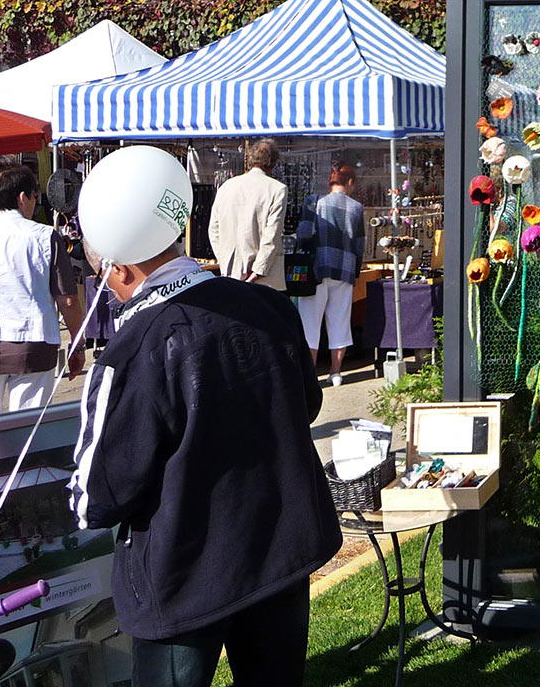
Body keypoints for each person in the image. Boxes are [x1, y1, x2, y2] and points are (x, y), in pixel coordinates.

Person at [67, 146, 340, 687]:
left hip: (186, 576)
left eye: (100, 272)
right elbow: (305, 405)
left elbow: (100, 495)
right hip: (279, 550)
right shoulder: (269, 307)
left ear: (120, 267)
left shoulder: (134, 350)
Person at [0, 160, 85, 410]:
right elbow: (68, 300)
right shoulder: (45, 236)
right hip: (34, 341)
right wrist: (78, 344)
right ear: (22, 197)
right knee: (29, 424)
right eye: (35, 197)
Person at [295, 162, 366, 386]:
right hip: (344, 268)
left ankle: (310, 374)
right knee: (340, 321)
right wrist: (355, 270)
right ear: (350, 182)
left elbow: (304, 233)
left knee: (309, 322)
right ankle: (336, 372)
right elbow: (360, 244)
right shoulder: (357, 208)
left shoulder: (314, 202)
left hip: (316, 268)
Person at [208, 138, 288, 291]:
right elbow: (272, 234)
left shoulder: (226, 186)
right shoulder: (277, 189)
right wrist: (257, 271)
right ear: (273, 162)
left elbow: (213, 229)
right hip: (263, 278)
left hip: (230, 271)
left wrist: (223, 259)